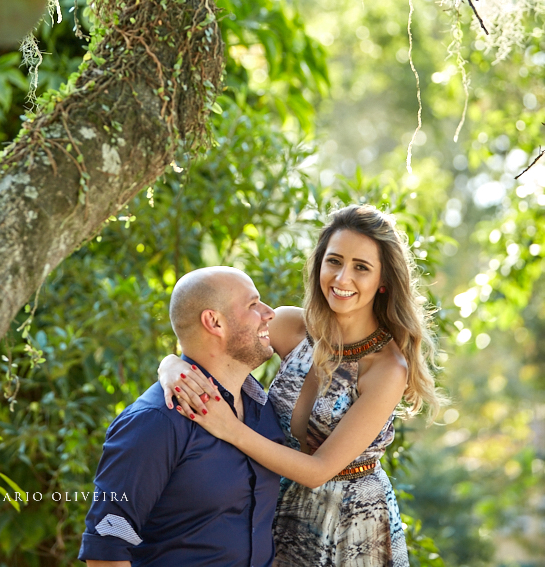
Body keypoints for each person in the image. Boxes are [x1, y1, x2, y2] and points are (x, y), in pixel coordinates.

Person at [158, 204, 443, 567]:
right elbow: (212, 343)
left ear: (383, 281)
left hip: (350, 524)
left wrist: (229, 428)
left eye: (361, 267)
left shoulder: (386, 369)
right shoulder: (292, 326)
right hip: (278, 506)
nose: (342, 279)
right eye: (335, 261)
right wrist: (170, 365)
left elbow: (318, 469)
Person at [79, 265, 285, 567]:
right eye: (254, 305)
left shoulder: (263, 409)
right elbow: (106, 548)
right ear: (213, 321)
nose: (269, 314)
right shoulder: (156, 422)